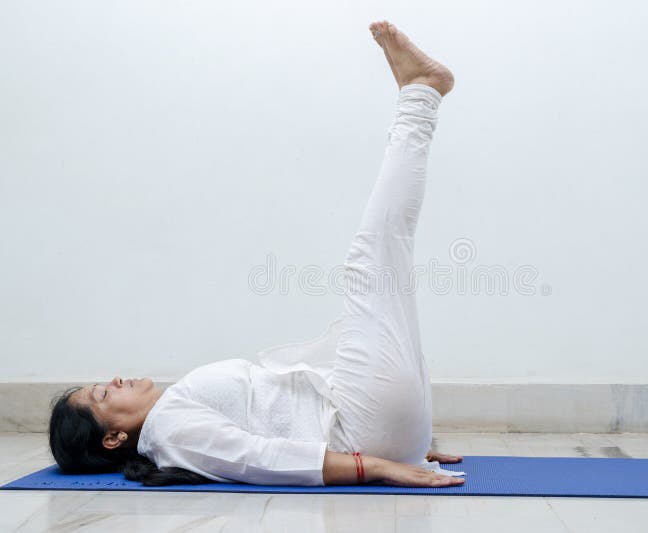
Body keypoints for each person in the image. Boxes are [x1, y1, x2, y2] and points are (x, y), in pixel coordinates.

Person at [48, 20, 465, 488]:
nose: (118, 379)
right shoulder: (170, 432)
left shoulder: (172, 418)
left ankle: (420, 94)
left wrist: (402, 443)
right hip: (361, 431)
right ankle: (421, 93)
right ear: (113, 438)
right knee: (374, 258)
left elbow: (275, 422)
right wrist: (381, 463)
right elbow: (260, 457)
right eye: (105, 393)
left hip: (369, 422)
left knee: (386, 266)